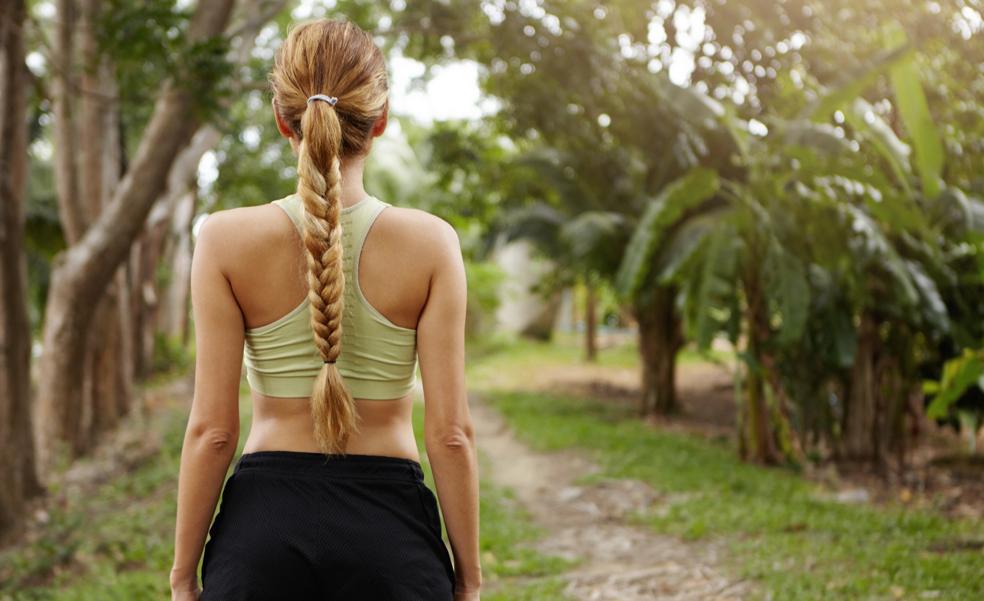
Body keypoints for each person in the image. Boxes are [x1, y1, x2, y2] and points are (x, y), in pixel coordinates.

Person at [169, 18, 481, 601]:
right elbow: (452, 435)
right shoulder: (432, 243)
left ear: (283, 121)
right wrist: (469, 579)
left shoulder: (224, 239)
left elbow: (213, 433)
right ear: (380, 122)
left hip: (261, 533)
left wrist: (184, 574)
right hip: (391, 534)